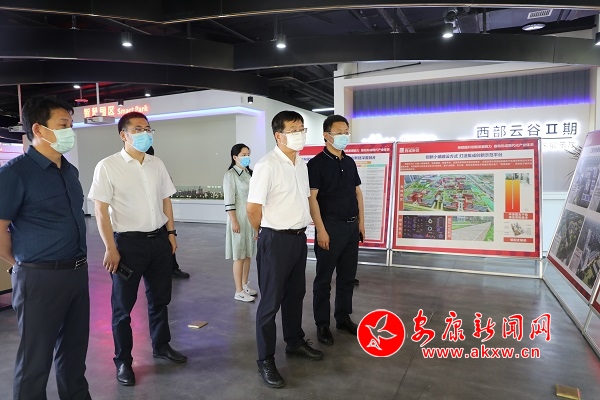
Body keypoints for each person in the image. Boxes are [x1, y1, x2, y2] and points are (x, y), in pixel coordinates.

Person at [0, 95, 92, 399]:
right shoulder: (14, 174)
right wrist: (22, 264)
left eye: (71, 124)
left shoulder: (69, 171)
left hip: (77, 273)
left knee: (74, 355)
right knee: (35, 361)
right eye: (63, 125)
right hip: (39, 278)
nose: (70, 130)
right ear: (38, 129)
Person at [88, 112, 187, 387]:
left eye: (148, 128)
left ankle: (161, 345)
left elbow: (166, 200)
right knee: (122, 308)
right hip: (127, 245)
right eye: (139, 129)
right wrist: (110, 248)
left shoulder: (157, 164)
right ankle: (123, 361)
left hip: (158, 241)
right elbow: (100, 210)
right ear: (124, 135)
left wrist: (171, 233)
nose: (145, 133)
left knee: (160, 299)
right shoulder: (107, 166)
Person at [247, 110, 323, 389]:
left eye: (302, 129)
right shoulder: (267, 165)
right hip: (275, 239)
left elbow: (305, 199)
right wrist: (263, 232)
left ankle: (294, 341)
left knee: (295, 295)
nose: (300, 134)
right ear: (278, 135)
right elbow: (252, 208)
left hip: (298, 238)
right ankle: (265, 359)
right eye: (293, 129)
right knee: (270, 302)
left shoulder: (301, 164)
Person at [308, 114, 365, 346]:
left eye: (346, 132)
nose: (344, 136)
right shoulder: (316, 164)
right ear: (326, 135)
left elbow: (357, 193)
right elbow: (312, 199)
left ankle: (343, 317)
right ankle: (322, 324)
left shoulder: (349, 162)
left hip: (351, 227)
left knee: (347, 277)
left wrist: (361, 222)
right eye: (339, 132)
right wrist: (320, 230)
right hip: (330, 226)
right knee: (323, 279)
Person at [146, 146, 190, 279]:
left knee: (167, 242)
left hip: (160, 215)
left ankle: (171, 268)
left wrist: (172, 232)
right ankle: (168, 268)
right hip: (149, 218)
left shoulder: (157, 168)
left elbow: (166, 196)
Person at [224, 143, 258, 302]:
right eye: (243, 154)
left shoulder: (249, 173)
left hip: (250, 217)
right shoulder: (230, 175)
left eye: (248, 154)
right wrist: (234, 221)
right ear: (235, 157)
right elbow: (229, 201)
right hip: (238, 217)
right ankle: (238, 290)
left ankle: (244, 285)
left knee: (248, 253)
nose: (247, 157)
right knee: (239, 255)